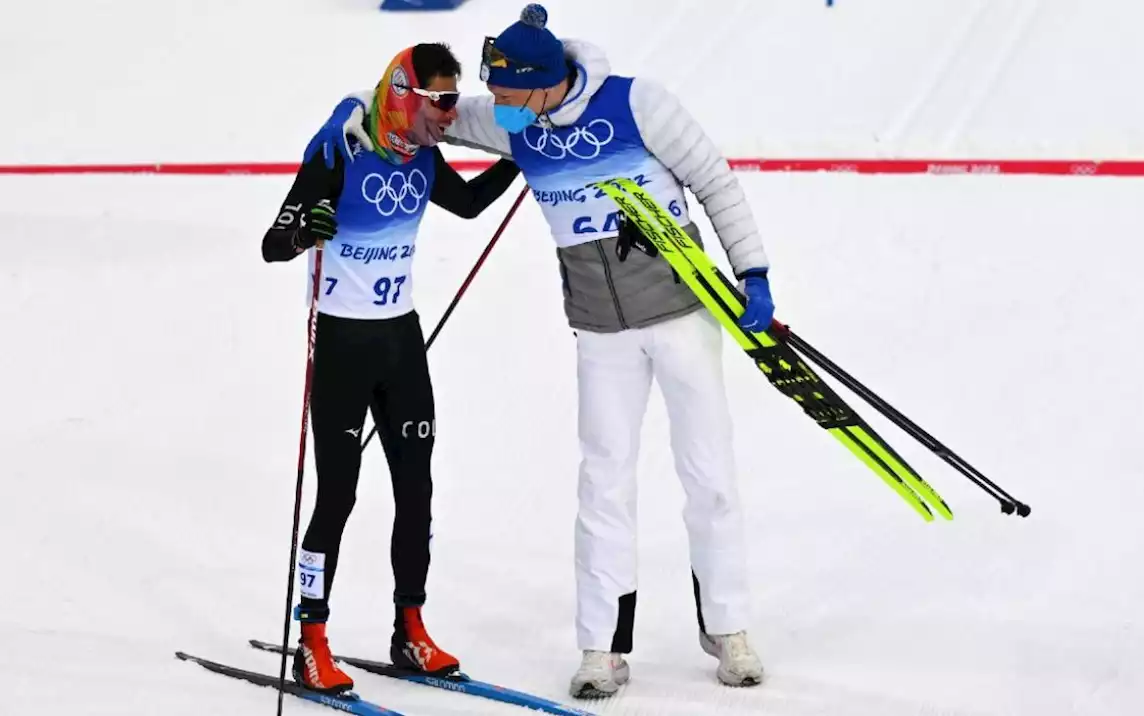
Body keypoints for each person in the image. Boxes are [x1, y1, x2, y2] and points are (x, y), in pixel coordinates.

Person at [311, 4, 773, 697]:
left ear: (539, 83)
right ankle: (602, 648)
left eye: (504, 93)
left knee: (708, 476)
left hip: (681, 316)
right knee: (603, 481)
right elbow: (419, 109)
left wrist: (754, 271)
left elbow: (715, 182)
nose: (492, 106)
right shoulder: (509, 118)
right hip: (599, 330)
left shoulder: (638, 103)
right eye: (491, 95)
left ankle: (729, 629)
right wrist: (350, 112)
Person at [261, 42, 522, 694]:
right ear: (404, 94)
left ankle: (411, 629)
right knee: (338, 495)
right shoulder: (340, 148)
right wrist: (304, 232)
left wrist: (522, 157)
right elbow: (274, 244)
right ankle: (312, 639)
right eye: (438, 100)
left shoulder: (421, 154)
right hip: (344, 345)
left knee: (417, 488)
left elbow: (464, 205)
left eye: (452, 100)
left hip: (400, 342)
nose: (448, 113)